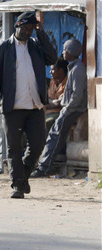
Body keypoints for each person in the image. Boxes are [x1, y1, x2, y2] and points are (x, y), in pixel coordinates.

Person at [0, 11, 56, 198]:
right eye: (25, 28)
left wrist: (41, 33)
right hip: (12, 107)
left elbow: (52, 58)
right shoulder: (2, 49)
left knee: (38, 144)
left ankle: (22, 175)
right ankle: (18, 185)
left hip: (35, 105)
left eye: (31, 29)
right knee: (14, 148)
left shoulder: (35, 46)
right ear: (17, 26)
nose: (28, 32)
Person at [32, 39, 87, 177]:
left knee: (54, 136)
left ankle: (43, 168)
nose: (63, 52)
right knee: (56, 137)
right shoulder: (74, 67)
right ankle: (46, 167)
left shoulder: (78, 69)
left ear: (71, 52)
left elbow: (77, 95)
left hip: (72, 109)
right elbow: (70, 94)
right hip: (70, 108)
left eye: (65, 50)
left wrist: (67, 109)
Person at [45, 58, 68, 133]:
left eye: (52, 70)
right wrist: (52, 102)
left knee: (45, 124)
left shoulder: (68, 84)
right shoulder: (52, 83)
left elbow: (59, 103)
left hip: (59, 114)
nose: (50, 72)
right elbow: (47, 99)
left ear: (60, 71)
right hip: (47, 112)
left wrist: (47, 103)